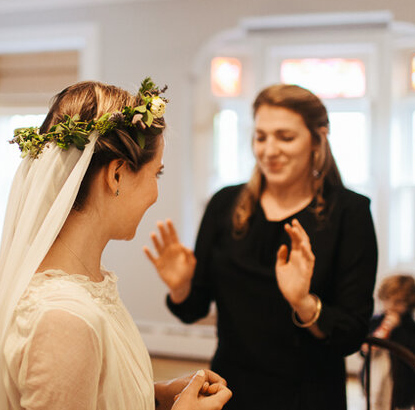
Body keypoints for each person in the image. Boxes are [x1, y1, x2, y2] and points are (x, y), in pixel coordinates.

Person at [0, 79, 232, 410]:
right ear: (116, 175)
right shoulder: (64, 320)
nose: (156, 194)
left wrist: (154, 396)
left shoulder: (87, 288)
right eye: (156, 174)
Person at [144, 84, 378, 410]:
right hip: (229, 391)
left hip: (309, 396)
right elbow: (194, 308)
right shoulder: (224, 204)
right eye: (261, 136)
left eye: (285, 137)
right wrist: (182, 287)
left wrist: (303, 302)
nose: (269, 150)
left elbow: (351, 334)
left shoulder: (350, 214)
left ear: (317, 139)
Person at [363, 274, 415, 409]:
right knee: (375, 404)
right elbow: (364, 350)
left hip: (402, 384)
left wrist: (395, 329)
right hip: (375, 378)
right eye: (387, 300)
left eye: (398, 302)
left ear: (409, 303)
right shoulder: (374, 322)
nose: (391, 306)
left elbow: (412, 352)